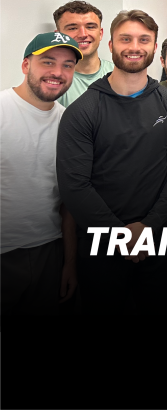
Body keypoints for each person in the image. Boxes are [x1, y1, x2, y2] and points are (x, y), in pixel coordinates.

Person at [57, 10, 167, 314]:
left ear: (154, 47)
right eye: (125, 39)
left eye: (143, 40)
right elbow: (74, 185)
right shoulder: (82, 110)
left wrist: (148, 227)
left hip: (159, 236)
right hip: (100, 241)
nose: (134, 47)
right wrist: (118, 235)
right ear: (111, 45)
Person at [0, 32, 80, 313]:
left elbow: (69, 202)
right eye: (48, 62)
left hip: (50, 251)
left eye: (67, 65)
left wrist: (69, 263)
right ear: (26, 65)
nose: (57, 72)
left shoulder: (69, 122)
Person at [53, 0, 114, 107]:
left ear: (100, 34)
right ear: (58, 36)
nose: (83, 34)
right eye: (73, 28)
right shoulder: (52, 80)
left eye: (90, 27)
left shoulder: (118, 74)